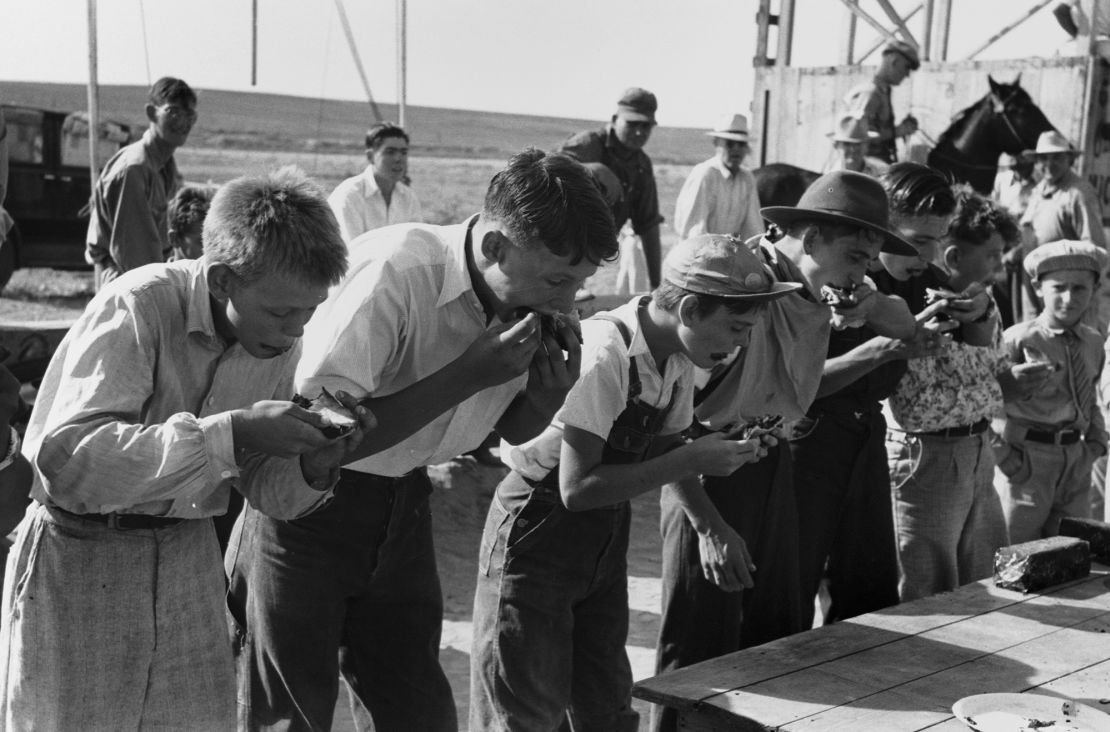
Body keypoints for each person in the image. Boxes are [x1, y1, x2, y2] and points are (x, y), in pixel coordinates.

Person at [226, 149, 618, 732]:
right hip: (305, 509)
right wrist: (468, 373)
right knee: (291, 714)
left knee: (417, 712)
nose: (565, 302)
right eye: (557, 279)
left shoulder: (521, 302)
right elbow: (316, 438)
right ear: (494, 248)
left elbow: (507, 430)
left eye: (579, 284)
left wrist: (543, 395)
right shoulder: (397, 270)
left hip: (404, 505)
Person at [0, 168, 366, 730]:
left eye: (309, 311)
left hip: (188, 559)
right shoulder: (139, 306)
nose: (297, 331)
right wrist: (234, 430)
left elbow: (262, 485)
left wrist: (313, 466)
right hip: (79, 555)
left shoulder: (272, 336)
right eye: (282, 312)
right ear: (222, 280)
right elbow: (72, 462)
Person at [471, 234, 796, 731]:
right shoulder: (605, 353)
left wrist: (711, 527)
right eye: (735, 328)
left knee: (606, 704)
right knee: (525, 708)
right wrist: (693, 457)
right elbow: (576, 490)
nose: (741, 344)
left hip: (600, 539)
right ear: (688, 309)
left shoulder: (681, 356)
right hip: (537, 533)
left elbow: (664, 449)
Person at [653, 170, 919, 732]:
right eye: (855, 253)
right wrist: (708, 526)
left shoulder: (808, 292)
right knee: (700, 651)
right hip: (705, 477)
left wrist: (868, 307)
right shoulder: (736, 283)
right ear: (811, 236)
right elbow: (665, 423)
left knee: (771, 638)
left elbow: (798, 382)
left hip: (767, 460)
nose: (862, 269)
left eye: (870, 258)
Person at [790, 163, 966, 628]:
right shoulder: (825, 276)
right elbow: (797, 389)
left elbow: (907, 316)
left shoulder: (897, 279)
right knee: (790, 586)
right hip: (807, 440)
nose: (928, 256)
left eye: (936, 240)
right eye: (918, 240)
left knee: (866, 589)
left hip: (865, 433)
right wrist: (883, 348)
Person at [885, 186, 1013, 602]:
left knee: (985, 576)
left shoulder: (981, 305)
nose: (1000, 267)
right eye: (992, 255)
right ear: (955, 257)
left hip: (975, 453)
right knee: (927, 587)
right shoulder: (907, 303)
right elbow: (920, 405)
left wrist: (985, 318)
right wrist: (1000, 390)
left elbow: (990, 365)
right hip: (928, 458)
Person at [995, 239, 1109, 543]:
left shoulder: (1094, 341)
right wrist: (1005, 458)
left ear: (1095, 289)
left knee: (1069, 549)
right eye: (1058, 287)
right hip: (1027, 463)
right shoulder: (1018, 339)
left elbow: (1093, 396)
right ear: (1037, 287)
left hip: (1076, 459)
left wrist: (1096, 443)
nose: (1069, 298)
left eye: (1080, 288)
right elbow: (988, 403)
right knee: (1015, 555)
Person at [85, 76, 197, 290]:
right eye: (173, 112)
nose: (183, 121)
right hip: (129, 283)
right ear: (151, 112)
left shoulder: (165, 167)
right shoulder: (134, 169)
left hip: (148, 277)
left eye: (189, 115)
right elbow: (137, 256)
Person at [561, 87, 665, 289]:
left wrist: (656, 287)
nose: (639, 132)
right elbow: (539, 171)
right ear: (615, 118)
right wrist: (592, 169)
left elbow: (648, 225)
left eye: (646, 126)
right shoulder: (589, 144)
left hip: (587, 259)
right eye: (632, 124)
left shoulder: (642, 166)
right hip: (553, 251)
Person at [1018, 131, 1107, 324]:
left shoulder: (1078, 194)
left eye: (1057, 157)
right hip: (1036, 286)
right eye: (1043, 158)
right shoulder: (1039, 191)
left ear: (1069, 160)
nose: (1049, 164)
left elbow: (1094, 249)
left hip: (1065, 294)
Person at [673, 113, 763, 242]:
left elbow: (753, 227)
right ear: (716, 144)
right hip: (699, 252)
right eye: (730, 144)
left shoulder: (747, 178)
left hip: (728, 252)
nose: (736, 150)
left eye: (741, 144)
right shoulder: (706, 174)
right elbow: (694, 229)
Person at [328, 121, 422, 243]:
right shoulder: (349, 195)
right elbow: (352, 252)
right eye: (390, 152)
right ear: (370, 156)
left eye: (403, 152)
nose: (398, 159)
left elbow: (417, 245)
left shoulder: (408, 197)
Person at [844, 40, 921, 165]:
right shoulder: (870, 93)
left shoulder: (882, 92)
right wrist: (898, 131)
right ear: (894, 61)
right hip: (865, 168)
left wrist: (901, 129)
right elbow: (855, 136)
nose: (907, 75)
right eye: (906, 67)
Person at [166, 183, 216, 261]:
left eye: (217, 243)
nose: (214, 252)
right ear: (174, 239)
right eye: (203, 242)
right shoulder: (155, 273)